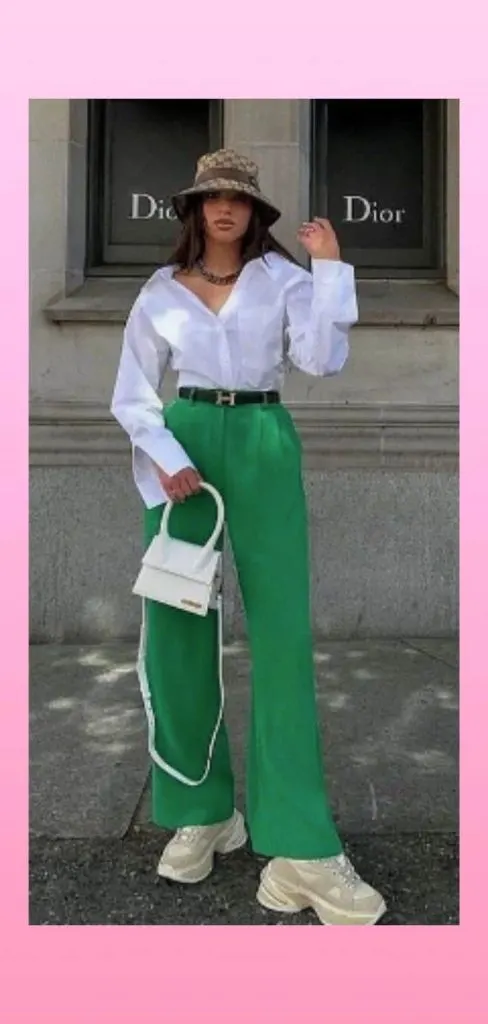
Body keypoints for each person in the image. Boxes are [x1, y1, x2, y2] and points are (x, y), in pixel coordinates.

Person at [111, 148, 386, 926]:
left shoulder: (286, 281)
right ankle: (203, 812)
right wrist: (165, 455)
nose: (224, 208)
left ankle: (299, 846)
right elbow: (132, 392)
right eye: (210, 198)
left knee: (282, 636)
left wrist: (330, 269)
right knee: (178, 625)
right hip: (186, 444)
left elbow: (321, 359)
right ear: (194, 211)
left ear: (254, 211)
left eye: (237, 197)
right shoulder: (161, 291)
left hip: (264, 435)